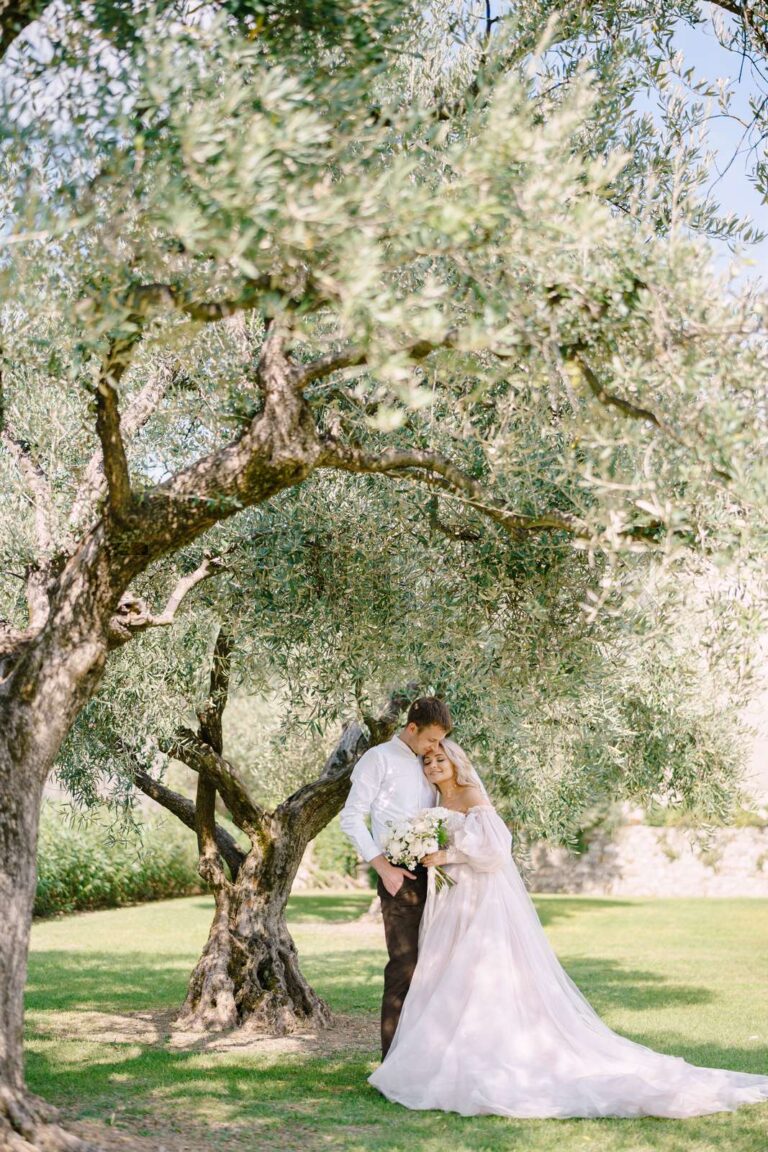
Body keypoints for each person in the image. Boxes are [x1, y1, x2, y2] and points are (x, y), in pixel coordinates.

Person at [368, 738, 768, 1119]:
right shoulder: (438, 801)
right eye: (428, 761)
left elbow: (495, 852)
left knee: (474, 970)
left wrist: (446, 854)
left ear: (456, 762)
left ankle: (486, 1052)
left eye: (441, 759)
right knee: (446, 971)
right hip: (451, 899)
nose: (434, 765)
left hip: (477, 898)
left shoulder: (473, 797)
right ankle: (444, 1051)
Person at [339, 696, 452, 1057]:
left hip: (436, 876)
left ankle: (425, 1055)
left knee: (436, 965)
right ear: (412, 728)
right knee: (404, 966)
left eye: (440, 742)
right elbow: (351, 817)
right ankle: (392, 1060)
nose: (437, 748)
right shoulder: (378, 759)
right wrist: (383, 868)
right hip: (398, 875)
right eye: (432, 739)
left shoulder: (429, 763)